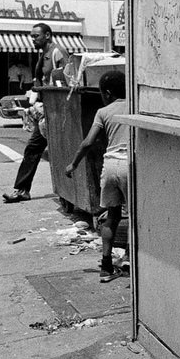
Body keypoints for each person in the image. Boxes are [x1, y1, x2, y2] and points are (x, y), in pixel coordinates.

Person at [64, 71, 130, 283]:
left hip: (110, 164)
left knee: (112, 216)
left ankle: (106, 266)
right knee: (136, 217)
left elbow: (88, 142)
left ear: (108, 93)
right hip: (130, 162)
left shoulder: (102, 112)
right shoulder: (134, 106)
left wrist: (73, 164)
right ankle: (129, 260)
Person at [3, 23, 66, 203]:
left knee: (59, 151)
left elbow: (67, 81)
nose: (33, 39)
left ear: (47, 35)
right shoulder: (42, 56)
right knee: (33, 149)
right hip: (46, 111)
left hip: (57, 112)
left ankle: (66, 191)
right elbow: (40, 83)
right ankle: (22, 190)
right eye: (31, 36)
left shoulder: (57, 52)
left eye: (36, 36)